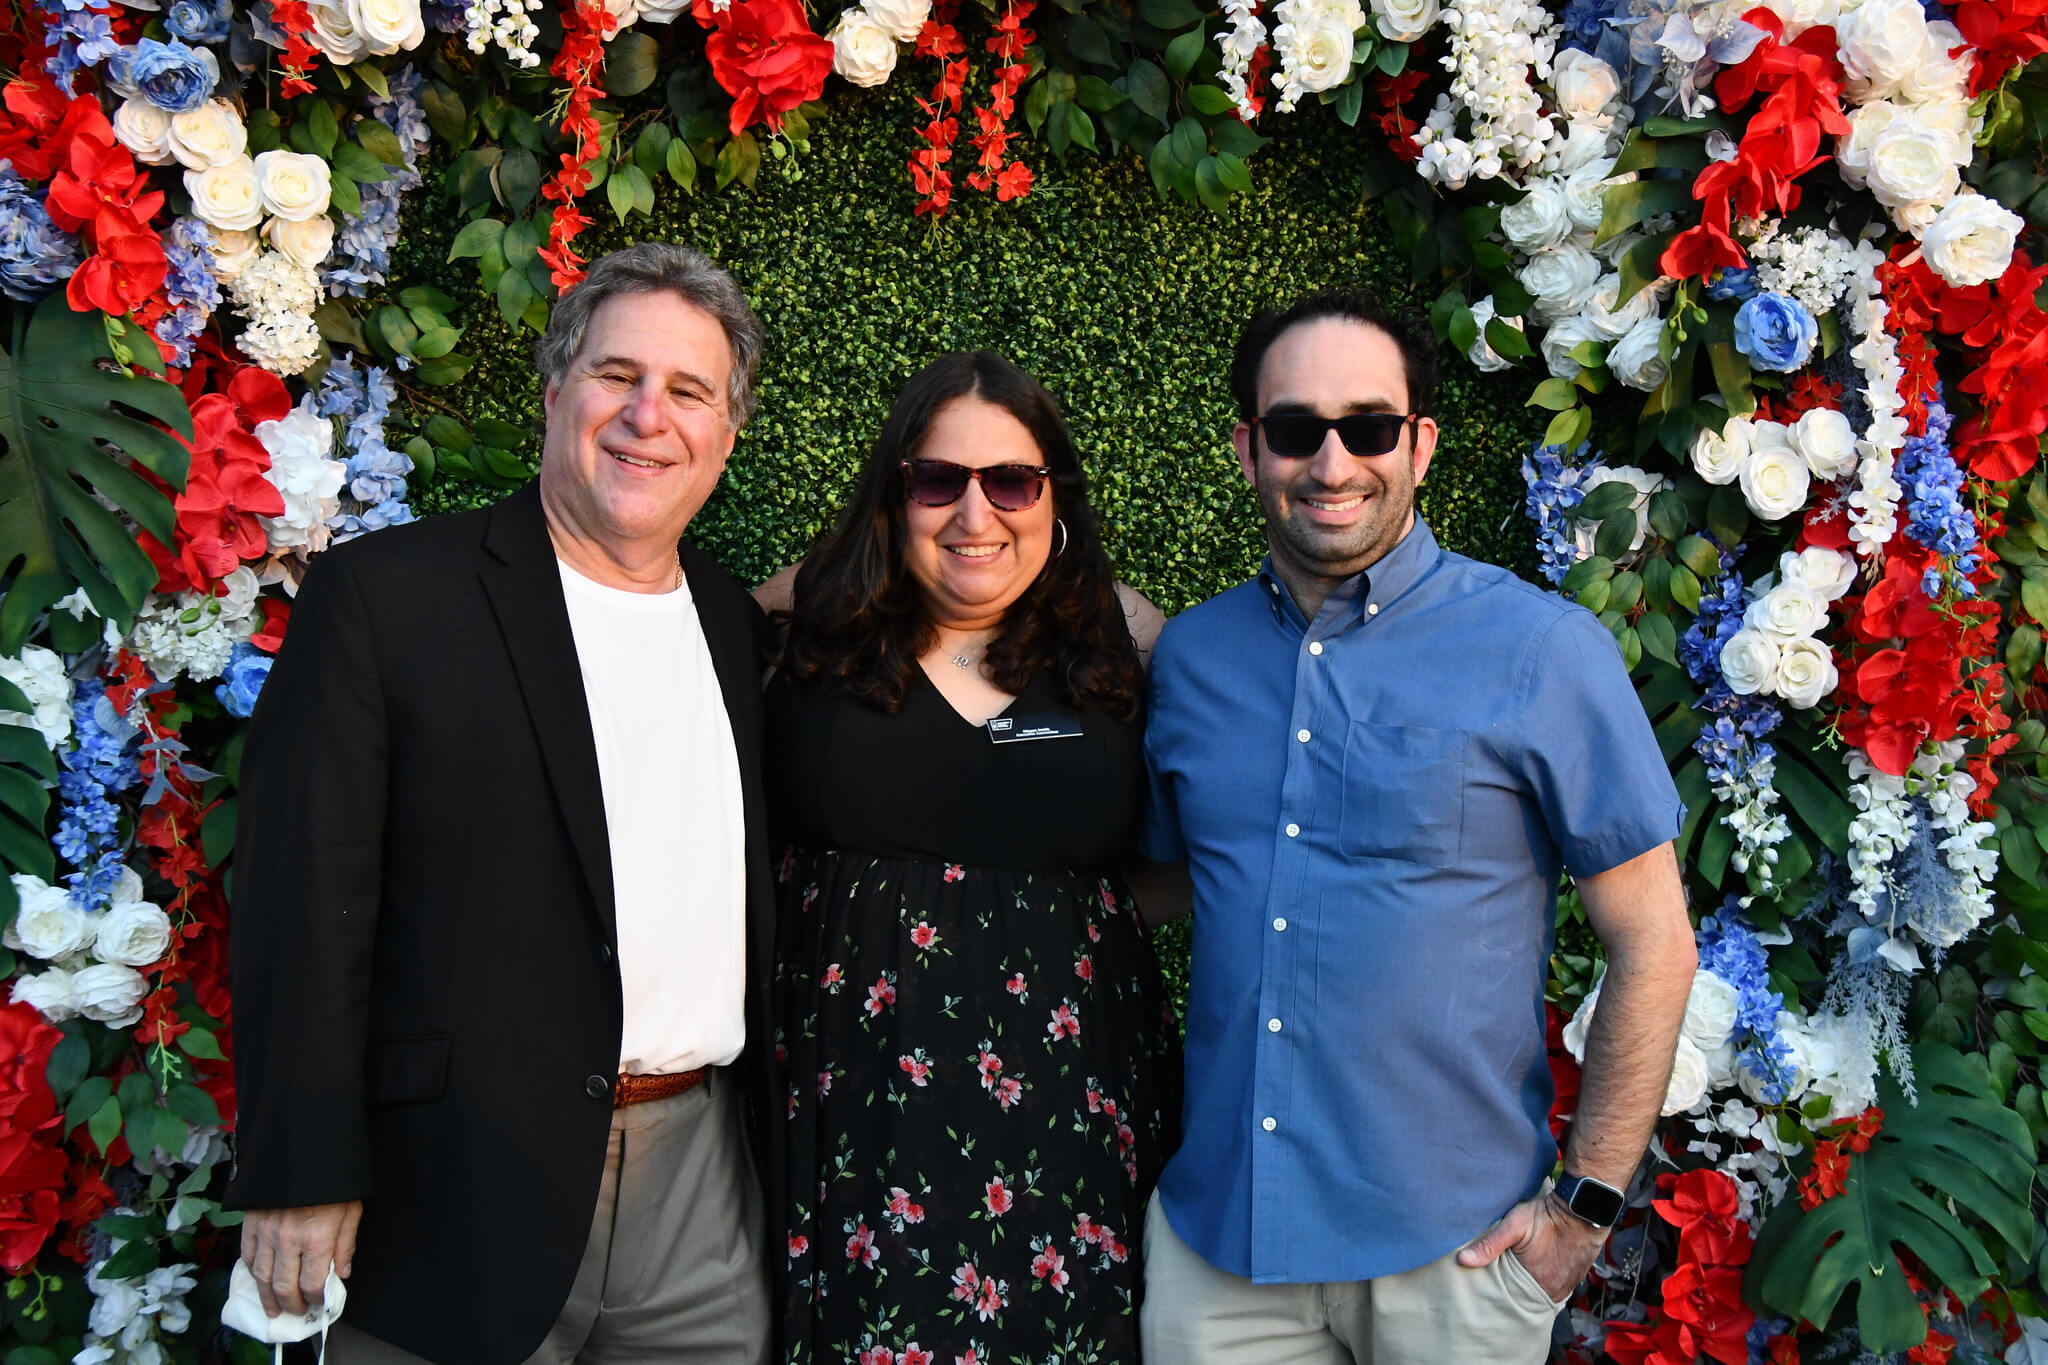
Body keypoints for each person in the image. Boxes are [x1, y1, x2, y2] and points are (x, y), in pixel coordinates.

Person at [225, 242, 780, 1365]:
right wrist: (299, 1170)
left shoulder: (732, 624)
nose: (646, 417)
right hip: (450, 1199)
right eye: (616, 375)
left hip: (699, 1198)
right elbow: (300, 902)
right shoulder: (388, 599)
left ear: (726, 434)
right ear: (553, 392)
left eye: (687, 392)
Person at [1135, 291, 1697, 1362]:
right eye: (1295, 429)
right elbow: (1162, 886)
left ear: (1419, 444)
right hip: (1220, 1256)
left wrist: (1580, 1212)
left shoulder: (1541, 651)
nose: (1332, 461)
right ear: (1248, 449)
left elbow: (1653, 943)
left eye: (1368, 427)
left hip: (1456, 1260)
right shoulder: (1193, 660)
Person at [756, 351, 1181, 1364]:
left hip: (1072, 1119)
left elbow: (1202, 855)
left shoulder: (1127, 638)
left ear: (1052, 497)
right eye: (938, 480)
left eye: (1011, 481)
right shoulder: (800, 617)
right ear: (895, 493)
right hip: (845, 1115)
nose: (973, 513)